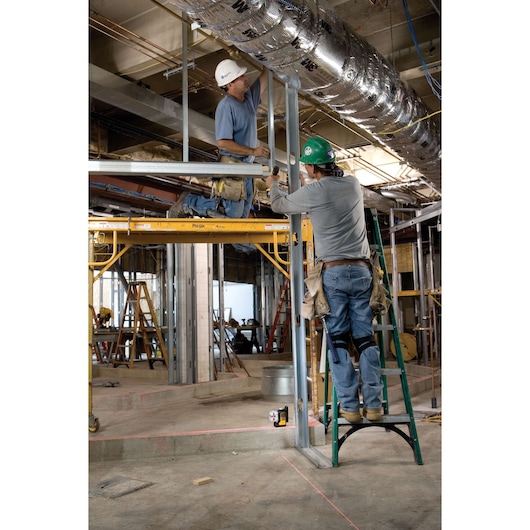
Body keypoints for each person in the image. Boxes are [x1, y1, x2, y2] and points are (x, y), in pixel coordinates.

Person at [265, 136, 383, 423]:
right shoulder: (353, 184)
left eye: (306, 167)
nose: (305, 171)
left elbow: (279, 205)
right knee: (366, 339)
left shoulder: (315, 191)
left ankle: (350, 408)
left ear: (313, 168)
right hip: (363, 271)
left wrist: (273, 185)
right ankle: (374, 406)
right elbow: (329, 185)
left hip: (334, 273)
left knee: (339, 340)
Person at [169, 58, 270, 219]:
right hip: (232, 165)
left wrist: (268, 59)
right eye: (240, 77)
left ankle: (242, 244)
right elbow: (223, 143)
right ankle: (188, 202)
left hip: (247, 168)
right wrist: (253, 151)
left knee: (241, 218)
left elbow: (266, 77)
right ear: (229, 84)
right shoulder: (226, 106)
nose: (245, 78)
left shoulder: (249, 100)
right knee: (231, 214)